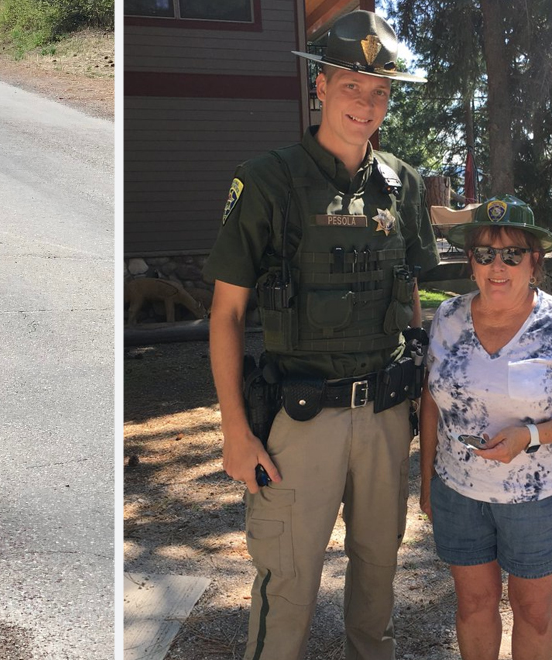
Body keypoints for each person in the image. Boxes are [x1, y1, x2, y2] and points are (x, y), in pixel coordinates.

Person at [203, 11, 439, 660]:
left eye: (379, 92)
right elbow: (224, 316)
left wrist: (422, 421)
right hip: (302, 423)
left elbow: (412, 305)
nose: (366, 105)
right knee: (288, 595)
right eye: (351, 87)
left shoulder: (404, 187)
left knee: (376, 595)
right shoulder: (267, 183)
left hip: (388, 416)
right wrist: (234, 429)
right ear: (320, 89)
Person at [419, 196, 552, 660]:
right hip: (459, 492)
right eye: (485, 254)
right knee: (473, 605)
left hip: (538, 501)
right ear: (471, 262)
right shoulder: (447, 318)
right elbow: (430, 401)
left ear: (535, 262)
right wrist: (427, 480)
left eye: (511, 254)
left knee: (533, 612)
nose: (497, 267)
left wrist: (531, 435)